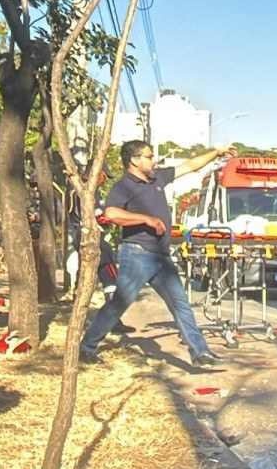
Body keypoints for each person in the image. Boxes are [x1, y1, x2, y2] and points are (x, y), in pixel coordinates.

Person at [79, 141, 235, 368]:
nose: (154, 160)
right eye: (149, 156)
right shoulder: (124, 186)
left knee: (180, 303)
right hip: (137, 254)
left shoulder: (156, 178)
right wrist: (146, 219)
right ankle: (87, 346)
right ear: (134, 160)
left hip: (161, 256)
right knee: (119, 304)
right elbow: (111, 213)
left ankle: (200, 353)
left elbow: (190, 165)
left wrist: (217, 152)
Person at [66, 166, 133, 334]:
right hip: (90, 239)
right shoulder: (81, 193)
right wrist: (108, 217)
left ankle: (111, 319)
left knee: (104, 280)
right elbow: (86, 217)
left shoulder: (92, 193)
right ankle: (105, 320)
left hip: (94, 239)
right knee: (108, 276)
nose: (104, 181)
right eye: (104, 176)